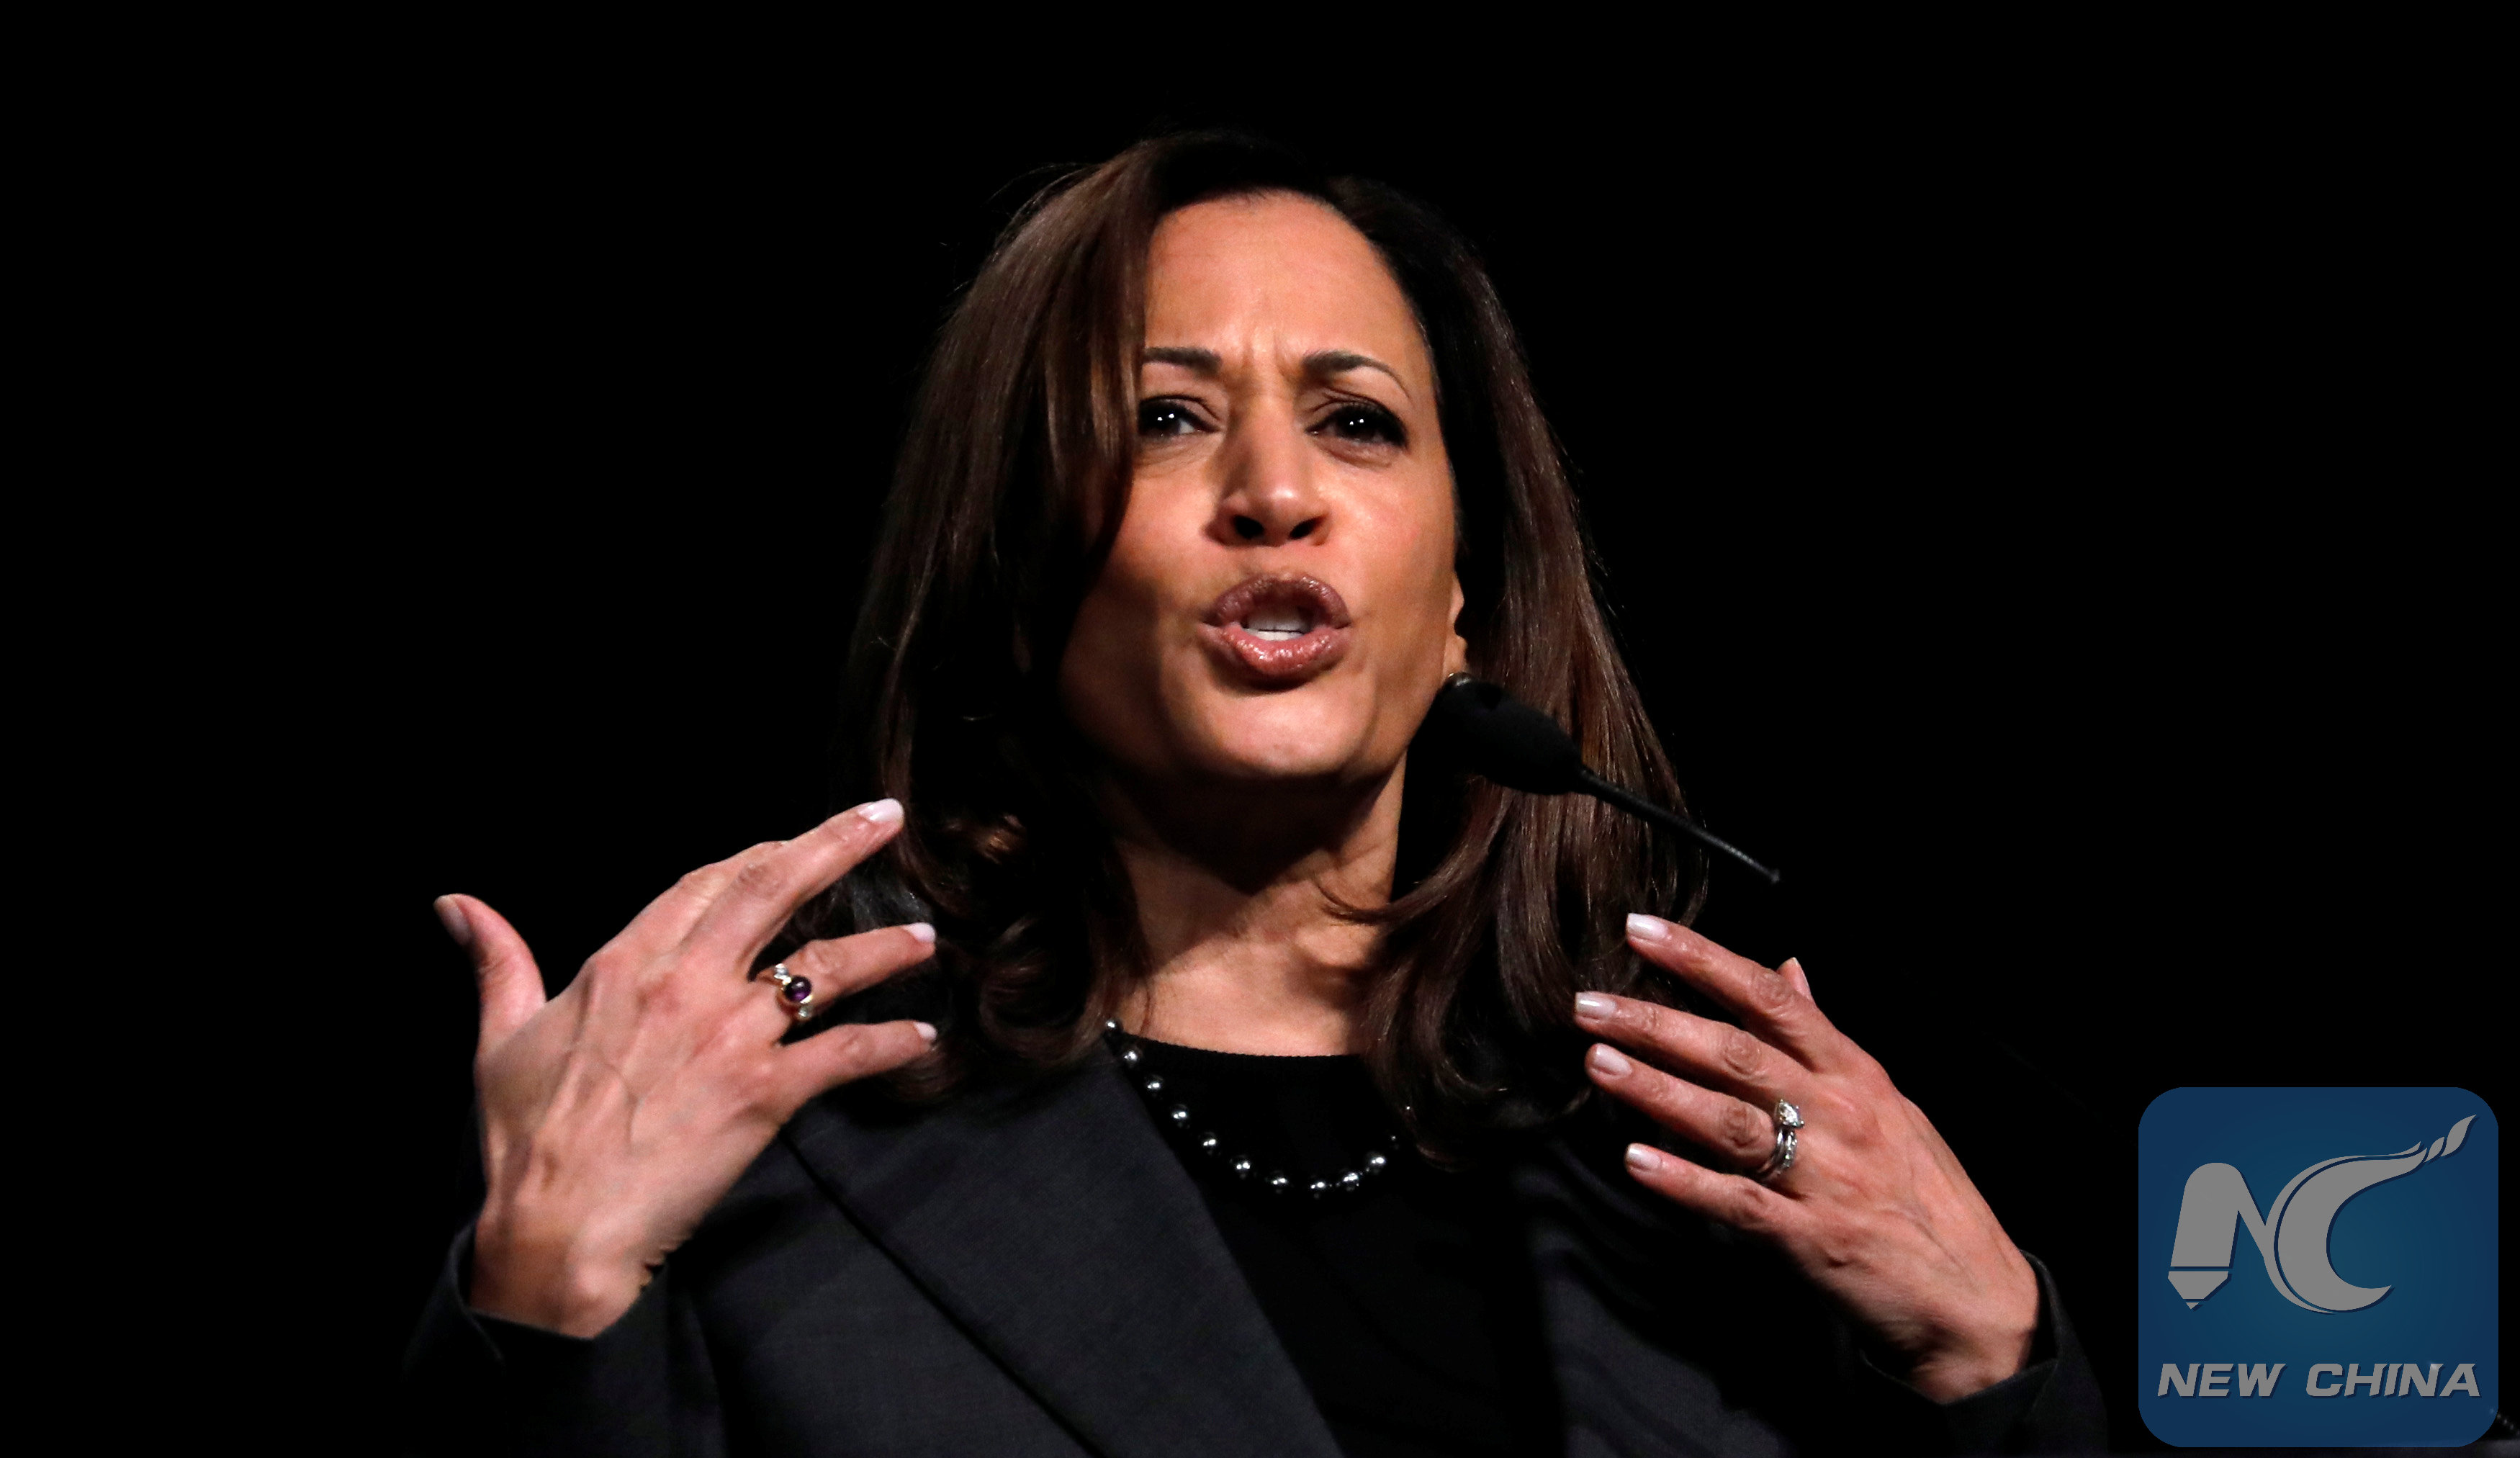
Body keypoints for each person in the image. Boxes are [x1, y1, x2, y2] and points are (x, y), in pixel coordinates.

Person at [402, 132, 2106, 1456]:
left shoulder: (1700, 1161)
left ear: (1464, 592)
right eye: (1164, 417)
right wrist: (544, 1288)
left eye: (1357, 422)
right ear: (1016, 577)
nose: (1274, 490)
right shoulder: (762, 1147)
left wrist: (1992, 1356)